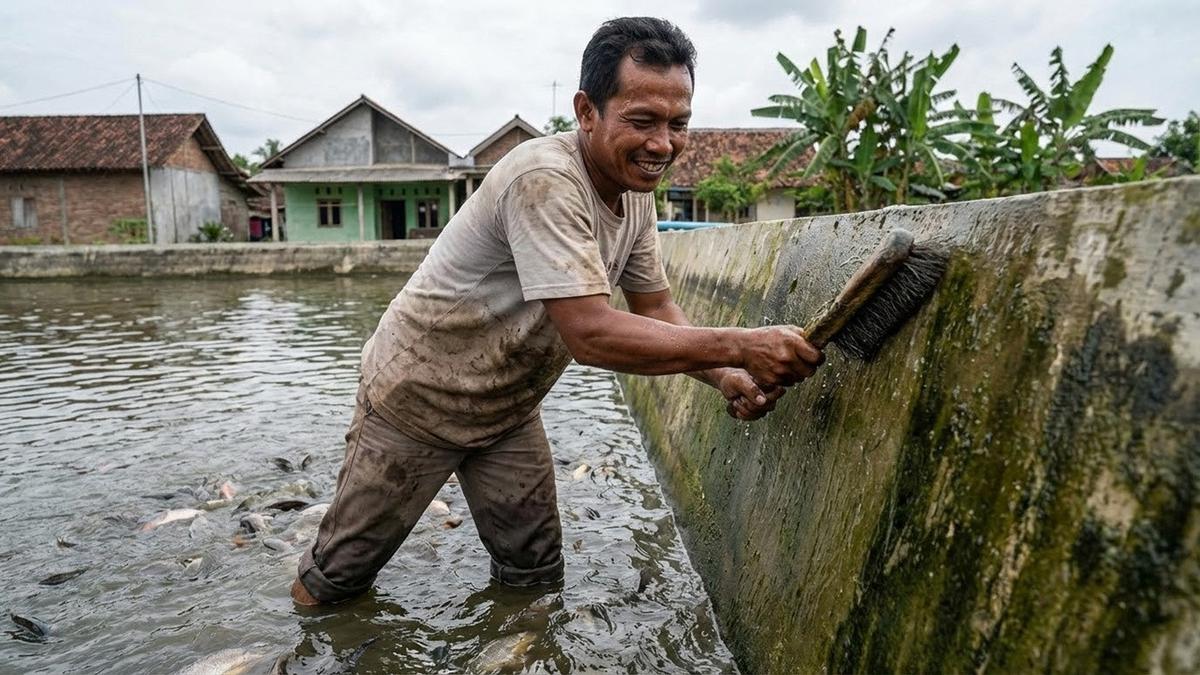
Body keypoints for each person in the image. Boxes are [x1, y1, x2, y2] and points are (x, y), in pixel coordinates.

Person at [291, 16, 823, 606]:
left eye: (678, 124)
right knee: (335, 583)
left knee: (535, 573)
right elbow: (591, 335)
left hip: (506, 406)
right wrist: (741, 346)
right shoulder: (544, 179)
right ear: (586, 110)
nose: (662, 144)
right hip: (417, 398)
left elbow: (657, 307)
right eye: (642, 121)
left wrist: (726, 377)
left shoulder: (634, 194)